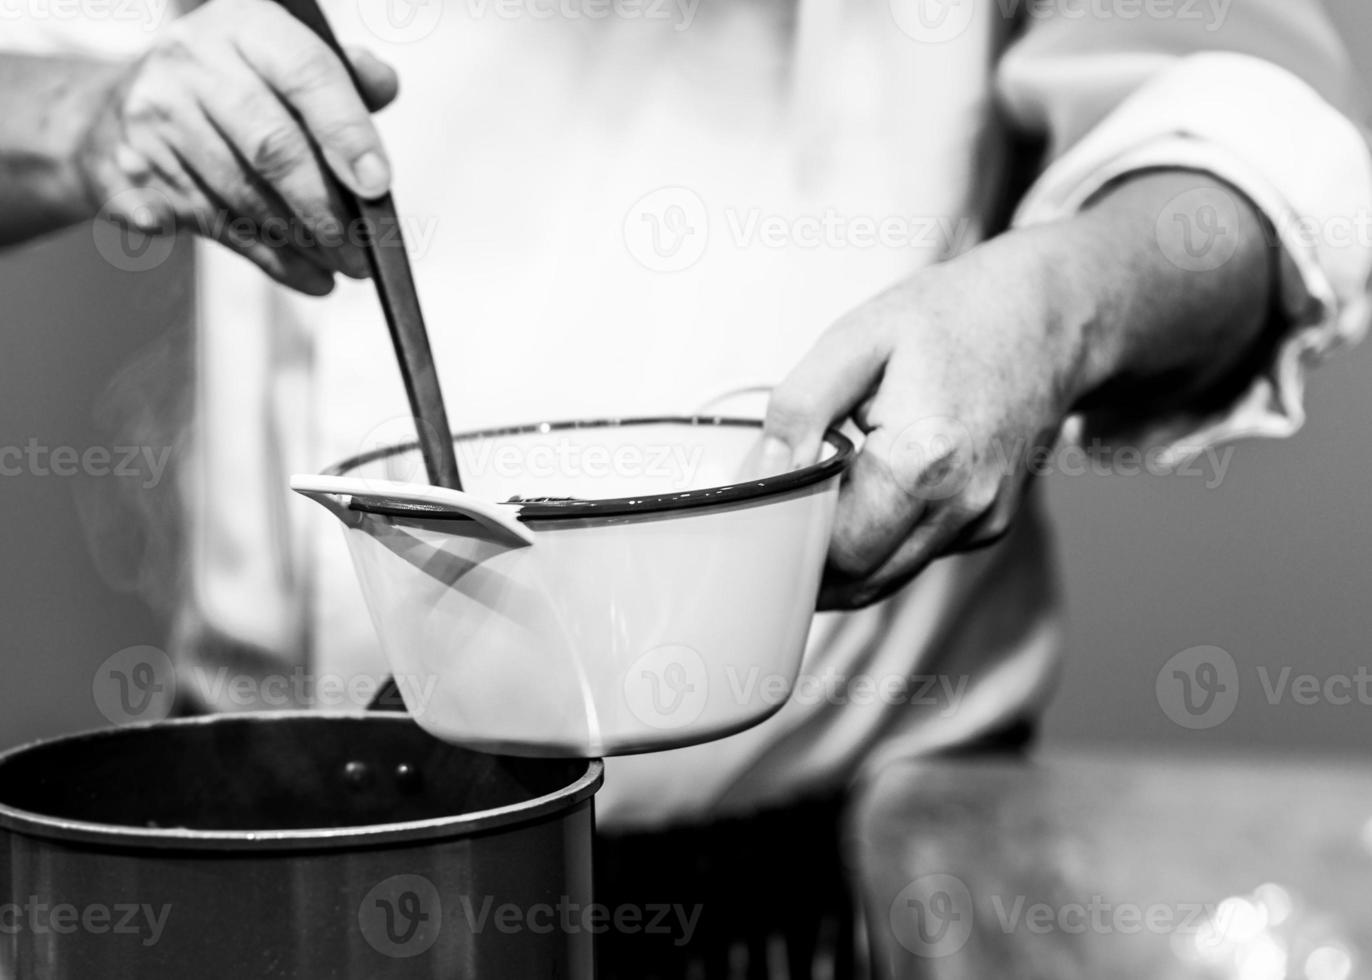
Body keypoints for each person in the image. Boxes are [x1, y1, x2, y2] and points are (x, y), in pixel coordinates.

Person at [2, 0, 1369, 975]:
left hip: (838, 879)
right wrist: (91, 118)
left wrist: (1058, 302)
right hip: (295, 860)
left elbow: (1255, 135)